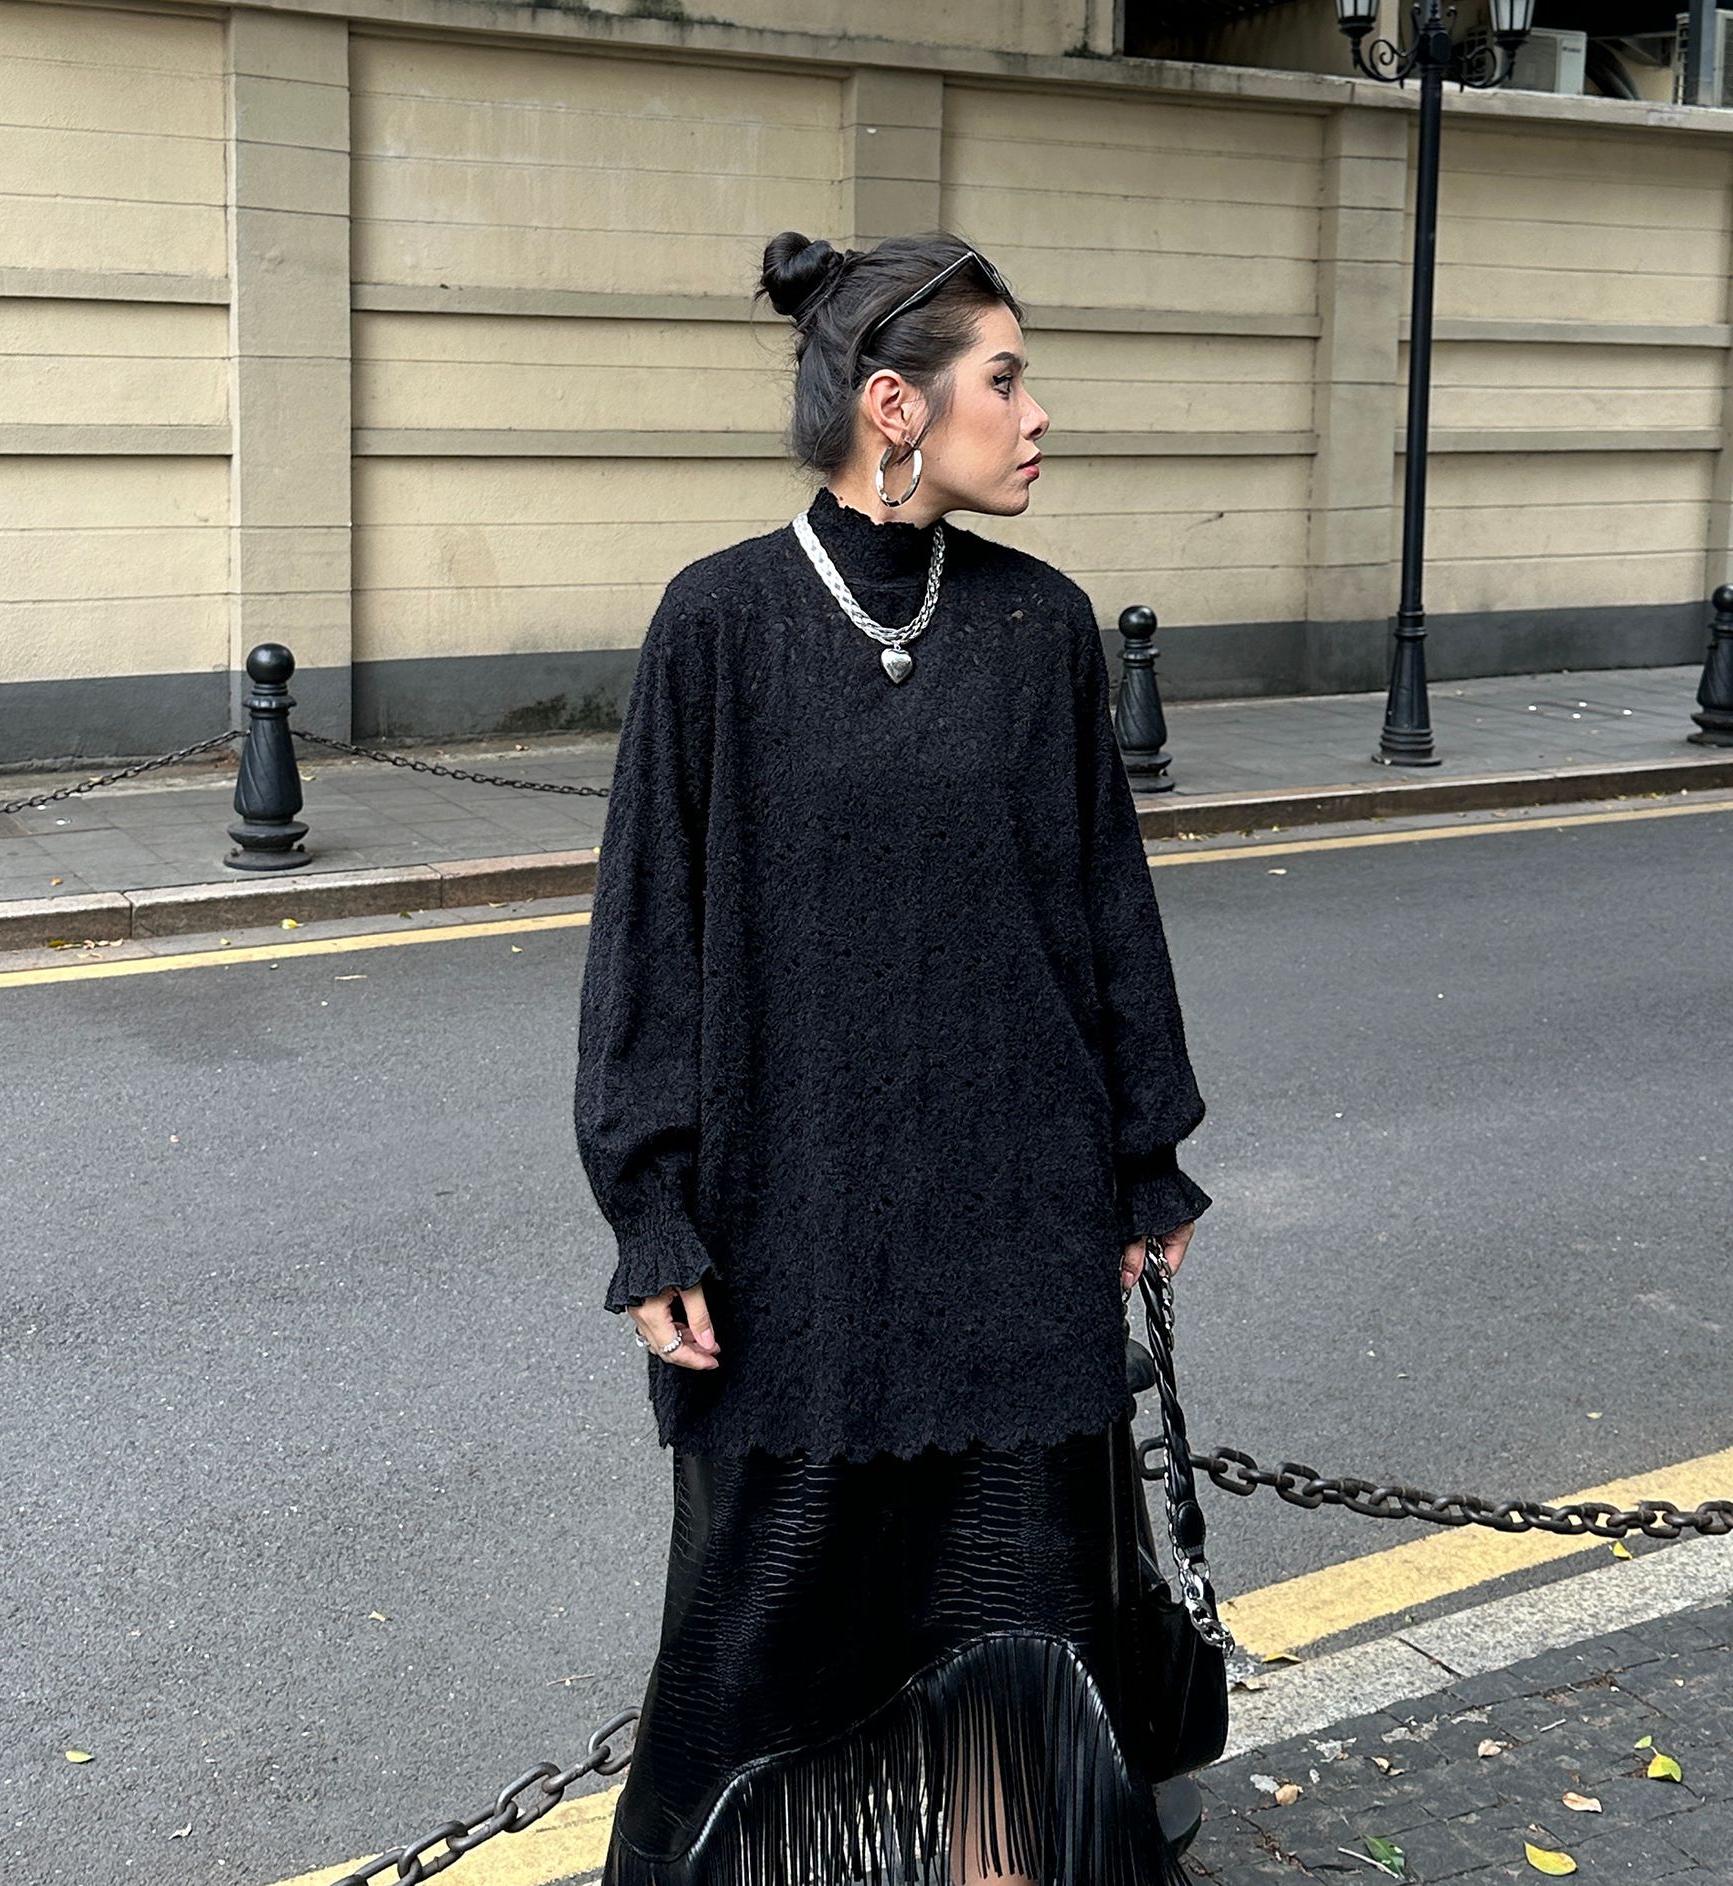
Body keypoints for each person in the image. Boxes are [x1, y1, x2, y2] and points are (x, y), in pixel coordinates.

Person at [573, 228, 1213, 1886]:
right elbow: (650, 935)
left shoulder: (1042, 628)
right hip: (794, 1254)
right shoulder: (719, 624)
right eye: (1007, 378)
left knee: (1019, 1664)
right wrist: (652, 1210)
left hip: (1014, 1241)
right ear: (894, 407)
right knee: (767, 1663)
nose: (1038, 412)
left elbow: (1105, 911)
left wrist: (1145, 1158)